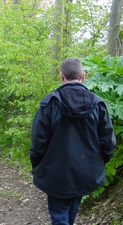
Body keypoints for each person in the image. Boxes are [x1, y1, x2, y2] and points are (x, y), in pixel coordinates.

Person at [29, 58, 116, 225]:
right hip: (85, 171)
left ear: (62, 76)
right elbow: (108, 143)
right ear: (83, 76)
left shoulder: (49, 104)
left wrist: (38, 166)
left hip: (56, 172)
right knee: (70, 212)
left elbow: (38, 143)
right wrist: (97, 164)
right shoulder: (98, 105)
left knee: (60, 215)